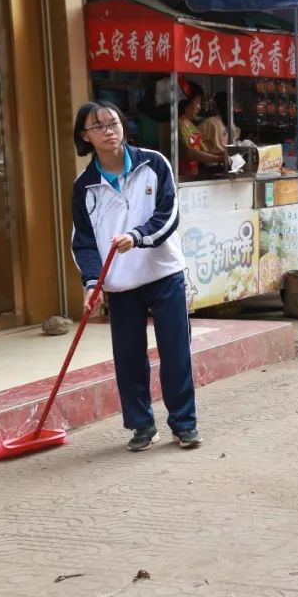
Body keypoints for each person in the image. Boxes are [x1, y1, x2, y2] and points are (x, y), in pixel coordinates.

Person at [70, 101, 200, 452]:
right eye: (98, 127)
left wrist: (138, 236)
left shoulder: (154, 163)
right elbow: (83, 242)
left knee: (175, 353)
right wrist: (93, 283)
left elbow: (169, 213)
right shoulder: (84, 186)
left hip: (163, 273)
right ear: (85, 137)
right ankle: (142, 425)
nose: (109, 130)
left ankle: (184, 424)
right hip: (121, 285)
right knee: (128, 359)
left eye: (113, 122)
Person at [177, 86, 224, 177]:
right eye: (197, 102)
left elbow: (203, 151)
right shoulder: (178, 125)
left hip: (193, 174)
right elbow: (189, 152)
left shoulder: (190, 125)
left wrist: (223, 155)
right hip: (180, 176)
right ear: (186, 103)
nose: (199, 108)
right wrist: (217, 158)